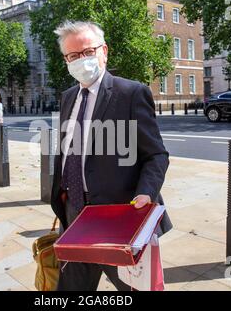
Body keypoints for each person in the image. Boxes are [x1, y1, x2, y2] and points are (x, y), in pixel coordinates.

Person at [50, 21, 172, 291]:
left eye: (87, 52)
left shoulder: (131, 93)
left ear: (104, 51)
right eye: (72, 56)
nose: (81, 60)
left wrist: (146, 193)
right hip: (74, 218)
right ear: (65, 60)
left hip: (119, 220)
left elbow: (156, 155)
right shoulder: (67, 97)